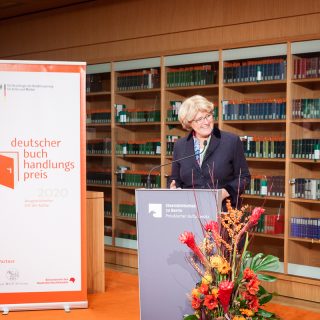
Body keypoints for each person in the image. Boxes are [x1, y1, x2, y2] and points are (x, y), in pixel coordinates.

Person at [169, 95, 250, 209]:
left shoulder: (231, 141)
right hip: (189, 211)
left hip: (224, 211)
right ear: (189, 122)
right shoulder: (180, 145)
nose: (206, 122)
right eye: (199, 119)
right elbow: (175, 179)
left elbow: (244, 178)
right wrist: (173, 187)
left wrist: (225, 192)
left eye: (208, 116)